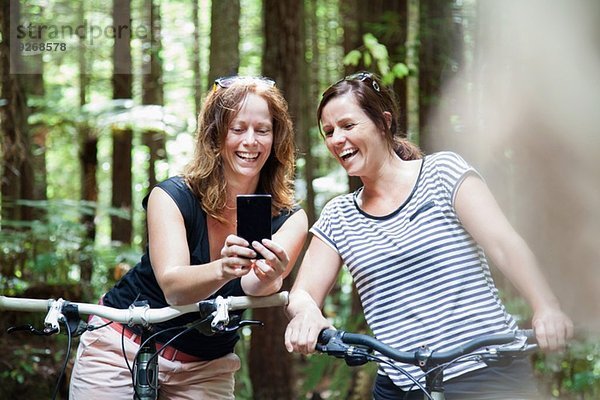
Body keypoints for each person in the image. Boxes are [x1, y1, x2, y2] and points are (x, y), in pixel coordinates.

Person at [284, 71, 573, 399]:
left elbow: (504, 244)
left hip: (488, 369)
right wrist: (307, 313)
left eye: (348, 126)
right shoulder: (340, 216)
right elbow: (303, 292)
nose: (336, 139)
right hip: (404, 384)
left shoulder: (443, 173)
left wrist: (546, 306)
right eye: (329, 132)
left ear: (384, 123)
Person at [70, 76, 308, 400]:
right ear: (215, 134)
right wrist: (224, 268)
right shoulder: (172, 196)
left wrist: (271, 275)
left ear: (276, 137)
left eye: (262, 130)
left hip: (208, 366)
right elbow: (174, 289)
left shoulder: (290, 217)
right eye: (237, 129)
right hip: (123, 345)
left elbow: (253, 287)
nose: (250, 141)